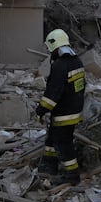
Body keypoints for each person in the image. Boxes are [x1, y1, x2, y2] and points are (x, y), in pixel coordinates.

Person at [35, 29, 85, 185]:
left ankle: (72, 176)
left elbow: (52, 94)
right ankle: (49, 165)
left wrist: (40, 111)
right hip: (74, 110)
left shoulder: (60, 66)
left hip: (64, 113)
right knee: (52, 138)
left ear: (54, 47)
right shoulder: (77, 62)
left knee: (63, 144)